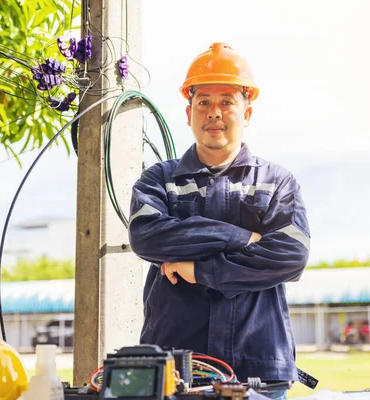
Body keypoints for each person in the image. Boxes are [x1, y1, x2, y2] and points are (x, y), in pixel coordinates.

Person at [128, 42, 310, 399]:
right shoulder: (158, 180)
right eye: (204, 102)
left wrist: (199, 271)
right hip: (175, 365)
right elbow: (147, 236)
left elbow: (290, 253)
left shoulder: (277, 182)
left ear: (247, 113)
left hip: (259, 365)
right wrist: (241, 236)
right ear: (189, 113)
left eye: (227, 101)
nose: (215, 112)